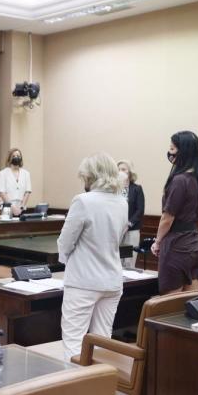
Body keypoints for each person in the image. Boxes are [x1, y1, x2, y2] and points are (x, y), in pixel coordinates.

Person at [57, 153, 128, 358]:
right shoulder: (122, 202)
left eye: (85, 176)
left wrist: (66, 260)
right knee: (102, 342)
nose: (84, 181)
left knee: (74, 343)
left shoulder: (83, 201)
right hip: (112, 281)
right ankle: (100, 388)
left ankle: (77, 389)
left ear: (92, 176)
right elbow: (119, 237)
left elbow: (66, 241)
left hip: (83, 282)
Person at [151, 131, 198, 293]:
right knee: (192, 300)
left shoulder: (179, 180)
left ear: (184, 152)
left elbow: (167, 218)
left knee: (170, 306)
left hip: (176, 244)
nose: (170, 153)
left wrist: (158, 241)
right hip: (193, 243)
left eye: (172, 149)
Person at [117, 159, 144, 269]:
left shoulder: (137, 189)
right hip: (117, 229)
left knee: (129, 263)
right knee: (117, 261)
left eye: (123, 169)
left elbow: (140, 210)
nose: (120, 172)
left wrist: (128, 224)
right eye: (118, 170)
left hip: (132, 229)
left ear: (130, 172)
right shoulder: (114, 190)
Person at [0, 148, 32, 216]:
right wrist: (13, 208)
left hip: (21, 209)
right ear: (9, 158)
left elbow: (27, 192)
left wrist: (21, 207)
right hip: (6, 209)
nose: (16, 158)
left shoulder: (26, 174)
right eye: (14, 156)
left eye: (18, 156)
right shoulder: (2, 173)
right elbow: (2, 193)